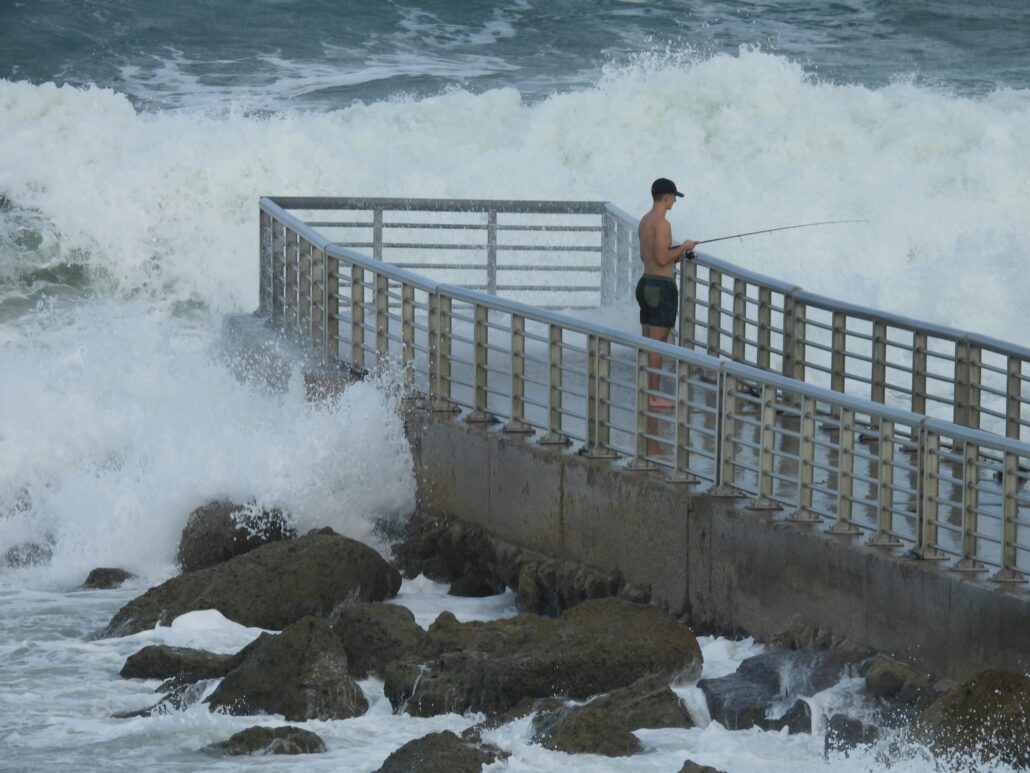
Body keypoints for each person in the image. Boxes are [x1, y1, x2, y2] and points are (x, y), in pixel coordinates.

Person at [636, 178, 697, 411]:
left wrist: (679, 254)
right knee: (658, 345)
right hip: (661, 288)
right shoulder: (663, 224)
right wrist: (684, 246)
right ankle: (653, 396)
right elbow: (662, 259)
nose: (674, 201)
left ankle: (647, 392)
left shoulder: (644, 221)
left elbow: (648, 257)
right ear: (666, 197)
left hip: (645, 283)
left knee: (648, 343)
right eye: (673, 197)